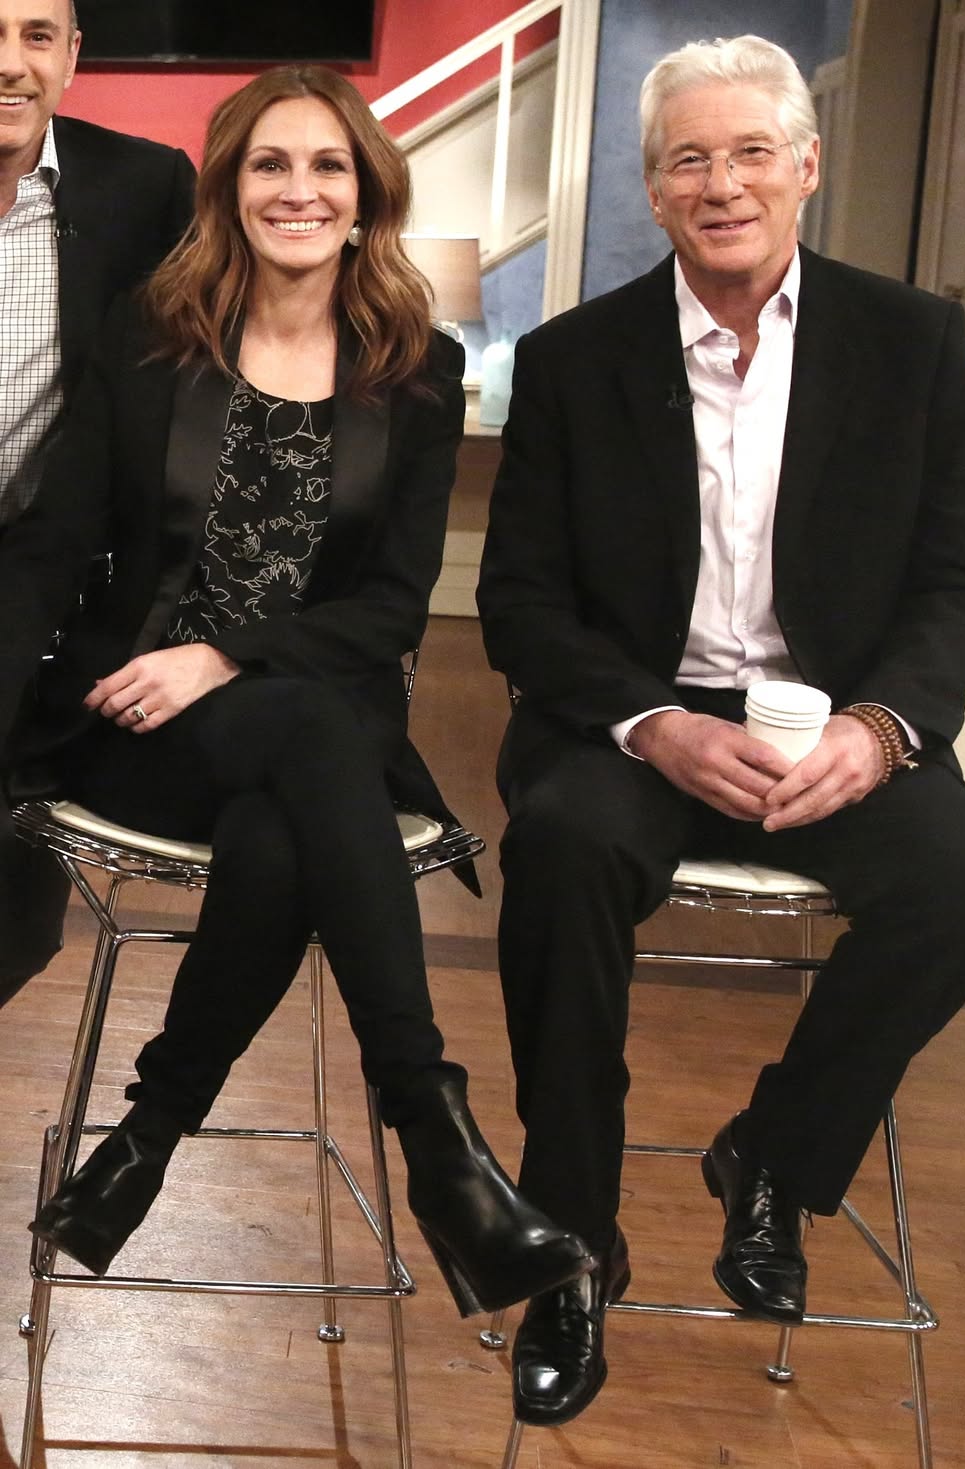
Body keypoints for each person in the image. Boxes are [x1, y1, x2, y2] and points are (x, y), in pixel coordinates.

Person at [477, 34, 965, 1426]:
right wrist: (653, 723)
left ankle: (777, 1156)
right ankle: (571, 1243)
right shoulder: (571, 360)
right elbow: (522, 604)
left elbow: (956, 583)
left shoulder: (910, 342)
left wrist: (883, 730)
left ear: (807, 167)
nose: (723, 185)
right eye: (690, 160)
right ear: (652, 188)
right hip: (637, 721)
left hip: (830, 718)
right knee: (562, 851)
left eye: (751, 153)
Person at [0, 64, 594, 1318]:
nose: (299, 189)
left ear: (365, 194)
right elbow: (55, 544)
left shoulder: (418, 369)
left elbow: (393, 606)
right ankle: (439, 1144)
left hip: (298, 726)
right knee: (315, 753)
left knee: (285, 823)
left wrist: (226, 654)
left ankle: (143, 1140)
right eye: (270, 163)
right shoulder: (150, 337)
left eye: (328, 165)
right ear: (229, 188)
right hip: (139, 722)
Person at [0, 0, 195, 1000]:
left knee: (15, 921)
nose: (10, 63)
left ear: (72, 57)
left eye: (36, 36)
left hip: (41, 588)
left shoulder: (143, 189)